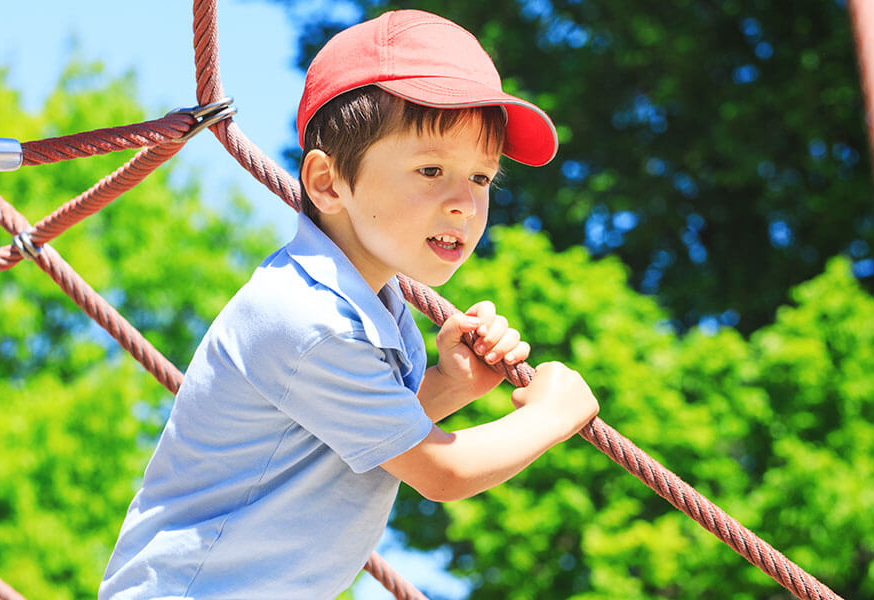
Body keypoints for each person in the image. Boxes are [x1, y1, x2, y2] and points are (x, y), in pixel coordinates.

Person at [100, 9, 599, 599]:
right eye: (431, 169)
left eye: (482, 178)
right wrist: (550, 416)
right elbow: (440, 472)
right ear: (328, 182)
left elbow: (353, 439)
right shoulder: (307, 316)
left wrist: (450, 384)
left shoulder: (374, 305)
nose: (464, 203)